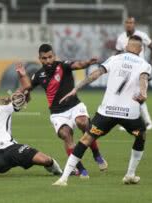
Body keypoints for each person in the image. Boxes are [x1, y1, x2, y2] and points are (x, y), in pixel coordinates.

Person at [53, 35, 151, 186]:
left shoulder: (114, 59)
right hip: (129, 114)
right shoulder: (144, 64)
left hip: (107, 112)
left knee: (85, 139)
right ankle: (130, 174)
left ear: (126, 47)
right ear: (141, 49)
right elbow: (143, 80)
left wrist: (76, 89)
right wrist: (143, 95)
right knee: (141, 134)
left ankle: (63, 178)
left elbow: (95, 74)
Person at [15, 44, 108, 178]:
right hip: (57, 113)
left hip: (75, 106)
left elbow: (77, 65)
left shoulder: (63, 66)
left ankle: (97, 154)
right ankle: (80, 168)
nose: (48, 60)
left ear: (54, 56)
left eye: (50, 57)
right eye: (44, 58)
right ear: (39, 59)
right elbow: (27, 89)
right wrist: (22, 78)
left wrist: (88, 62)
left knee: (83, 123)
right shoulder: (38, 75)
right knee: (65, 134)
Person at [116, 16, 152, 130]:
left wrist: (150, 67)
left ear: (134, 24)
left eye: (131, 22)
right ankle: (128, 121)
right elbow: (117, 53)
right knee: (126, 95)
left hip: (140, 70)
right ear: (125, 24)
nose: (129, 24)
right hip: (127, 70)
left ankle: (148, 122)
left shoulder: (141, 35)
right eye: (127, 22)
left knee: (138, 95)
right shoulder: (121, 38)